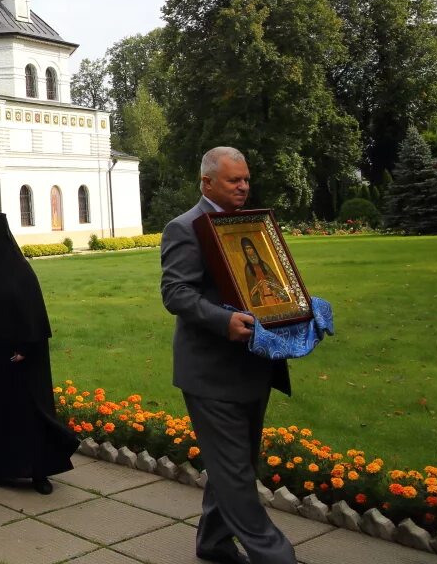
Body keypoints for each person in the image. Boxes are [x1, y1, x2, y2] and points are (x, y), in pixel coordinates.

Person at [161, 146, 294, 564]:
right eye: (234, 180)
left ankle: (213, 542)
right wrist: (223, 321)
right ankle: (276, 556)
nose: (243, 186)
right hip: (211, 374)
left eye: (246, 179)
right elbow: (175, 293)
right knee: (236, 474)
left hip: (254, 365)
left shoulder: (250, 225)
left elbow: (268, 284)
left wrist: (293, 310)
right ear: (207, 182)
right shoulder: (185, 227)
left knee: (236, 465)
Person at [0, 212, 78, 493]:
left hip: (18, 359)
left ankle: (38, 472)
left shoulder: (18, 270)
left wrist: (26, 346)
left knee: (27, 415)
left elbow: (32, 312)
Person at [240, 237, 290, 307]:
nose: (249, 250)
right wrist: (259, 285)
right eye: (246, 249)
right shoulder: (248, 268)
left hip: (271, 290)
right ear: (244, 251)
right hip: (260, 295)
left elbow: (274, 279)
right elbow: (251, 286)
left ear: (254, 249)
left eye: (250, 248)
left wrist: (269, 282)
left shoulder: (263, 264)